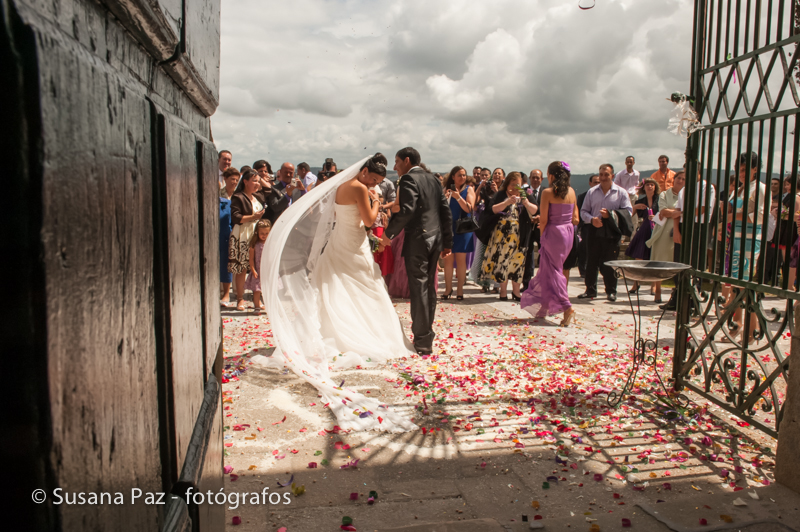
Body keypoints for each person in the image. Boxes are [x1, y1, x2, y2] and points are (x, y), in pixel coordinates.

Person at [311, 153, 414, 362]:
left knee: (339, 285)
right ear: (364, 171)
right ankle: (365, 332)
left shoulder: (341, 185)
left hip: (339, 239)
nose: (374, 184)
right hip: (354, 243)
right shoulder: (359, 187)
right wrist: (376, 200)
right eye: (374, 180)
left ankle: (336, 329)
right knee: (366, 284)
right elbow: (368, 220)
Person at [381, 147, 453, 355]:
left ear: (406, 160)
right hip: (435, 238)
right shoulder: (432, 179)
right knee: (428, 287)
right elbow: (444, 211)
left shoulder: (408, 180)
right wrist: (447, 242)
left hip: (418, 240)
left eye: (396, 162)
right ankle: (426, 335)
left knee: (419, 288)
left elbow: (407, 210)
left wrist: (389, 234)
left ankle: (422, 340)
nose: (395, 167)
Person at [521, 161, 579, 325]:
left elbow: (544, 219)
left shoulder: (547, 192)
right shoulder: (572, 192)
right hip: (568, 233)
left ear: (551, 176)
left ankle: (567, 308)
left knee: (553, 271)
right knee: (550, 269)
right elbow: (576, 219)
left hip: (553, 233)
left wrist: (542, 238)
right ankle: (544, 307)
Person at [721, 152, 767, 344]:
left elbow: (759, 216)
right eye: (738, 170)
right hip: (736, 240)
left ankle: (750, 332)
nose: (740, 173)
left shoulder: (760, 188)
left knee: (747, 288)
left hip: (749, 240)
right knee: (736, 286)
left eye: (744, 170)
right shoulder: (738, 189)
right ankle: (737, 324)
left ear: (755, 169)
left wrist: (733, 217)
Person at [479, 171, 538, 300]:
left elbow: (535, 211)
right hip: (502, 238)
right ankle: (503, 291)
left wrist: (526, 202)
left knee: (518, 263)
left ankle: (516, 292)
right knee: (502, 263)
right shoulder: (501, 194)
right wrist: (507, 202)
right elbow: (492, 209)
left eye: (518, 184)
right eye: (512, 184)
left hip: (520, 236)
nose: (514, 187)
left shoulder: (525, 194)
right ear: (507, 184)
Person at [578, 163, 633, 301]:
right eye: (601, 174)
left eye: (606, 175)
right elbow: (583, 211)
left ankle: (611, 291)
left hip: (612, 231)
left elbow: (628, 212)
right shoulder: (592, 192)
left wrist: (611, 215)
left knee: (610, 262)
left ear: (612, 176)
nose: (603, 177)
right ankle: (590, 289)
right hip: (594, 229)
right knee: (592, 261)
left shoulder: (621, 192)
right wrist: (592, 220)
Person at [229, 169, 267, 311]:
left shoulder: (257, 197)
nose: (257, 184)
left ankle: (256, 298)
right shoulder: (238, 197)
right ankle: (240, 299)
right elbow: (236, 217)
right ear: (245, 181)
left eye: (258, 181)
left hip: (255, 235)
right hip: (242, 235)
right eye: (254, 181)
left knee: (256, 267)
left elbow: (269, 190)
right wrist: (253, 217)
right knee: (241, 268)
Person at [646, 172, 685, 309]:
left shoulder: (686, 195)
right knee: (660, 261)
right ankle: (658, 290)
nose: (680, 180)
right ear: (673, 180)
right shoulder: (664, 194)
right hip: (663, 231)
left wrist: (673, 212)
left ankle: (675, 293)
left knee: (677, 263)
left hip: (679, 231)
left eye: (683, 179)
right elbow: (663, 211)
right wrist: (677, 212)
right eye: (678, 178)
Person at [441, 166, 476, 300]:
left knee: (461, 261)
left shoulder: (469, 189)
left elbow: (470, 208)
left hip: (463, 228)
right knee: (448, 260)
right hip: (449, 228)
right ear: (453, 177)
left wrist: (458, 198)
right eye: (459, 175)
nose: (462, 177)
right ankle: (448, 289)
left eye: (464, 175)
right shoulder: (446, 190)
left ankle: (460, 290)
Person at [625, 178, 660, 299]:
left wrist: (656, 217)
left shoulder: (660, 200)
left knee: (655, 257)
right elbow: (630, 216)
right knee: (638, 258)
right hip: (645, 229)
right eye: (647, 185)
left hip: (657, 229)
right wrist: (635, 207)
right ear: (643, 188)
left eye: (652, 184)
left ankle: (654, 285)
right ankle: (636, 283)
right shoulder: (641, 201)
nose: (650, 187)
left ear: (655, 187)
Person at [522, 169, 544, 290]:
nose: (535, 180)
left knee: (544, 256)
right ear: (529, 178)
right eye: (533, 177)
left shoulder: (546, 191)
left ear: (542, 179)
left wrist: (540, 217)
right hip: (528, 227)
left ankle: (542, 282)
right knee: (527, 255)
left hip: (542, 228)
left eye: (538, 177)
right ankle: (526, 284)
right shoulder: (524, 192)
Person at [575, 174, 600, 277]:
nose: (597, 184)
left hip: (600, 225)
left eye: (598, 182)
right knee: (584, 249)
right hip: (587, 226)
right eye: (595, 182)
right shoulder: (582, 196)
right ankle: (583, 270)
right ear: (590, 183)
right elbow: (580, 211)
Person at [245, 220, 271, 313]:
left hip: (267, 271)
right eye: (262, 233)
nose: (264, 235)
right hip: (258, 271)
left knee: (268, 290)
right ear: (257, 232)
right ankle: (257, 307)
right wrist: (252, 269)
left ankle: (269, 306)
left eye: (267, 233)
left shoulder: (270, 243)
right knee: (256, 291)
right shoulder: (254, 244)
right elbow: (251, 259)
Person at [220, 174, 234, 308]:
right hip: (219, 230)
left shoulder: (238, 195)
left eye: (236, 179)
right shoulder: (219, 193)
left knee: (227, 262)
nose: (234, 182)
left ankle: (226, 293)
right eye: (232, 179)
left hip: (231, 231)